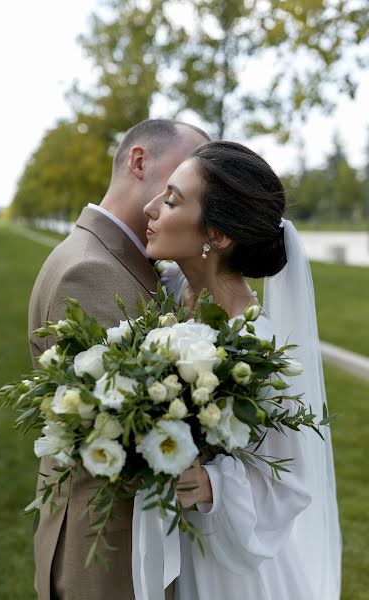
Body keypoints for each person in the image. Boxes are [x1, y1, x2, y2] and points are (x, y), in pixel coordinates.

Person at [142, 140, 342, 600]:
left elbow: (290, 486)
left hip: (233, 574)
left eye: (171, 199)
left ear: (218, 235)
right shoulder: (175, 305)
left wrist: (208, 483)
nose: (151, 207)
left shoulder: (260, 349)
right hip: (180, 551)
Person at [28, 118, 210, 600]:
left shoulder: (122, 262)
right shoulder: (91, 271)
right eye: (187, 173)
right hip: (108, 555)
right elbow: (139, 427)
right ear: (138, 162)